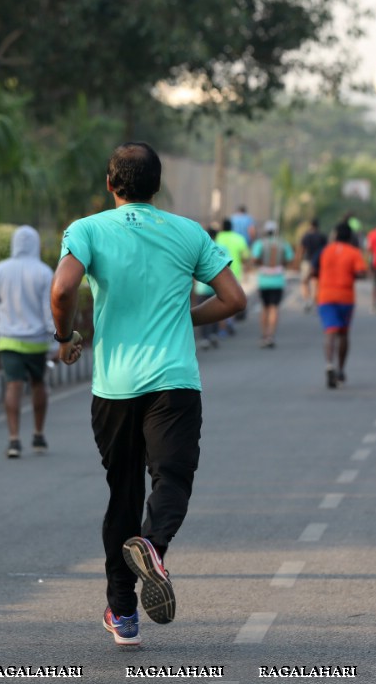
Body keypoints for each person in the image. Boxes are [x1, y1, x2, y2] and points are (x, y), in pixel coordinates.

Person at [51, 142, 245, 647]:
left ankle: (123, 613)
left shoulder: (88, 229)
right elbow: (233, 299)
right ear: (156, 186)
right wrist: (187, 316)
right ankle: (153, 547)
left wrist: (66, 335)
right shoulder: (188, 232)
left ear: (110, 184)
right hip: (175, 382)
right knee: (173, 478)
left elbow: (62, 290)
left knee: (123, 494)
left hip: (114, 386)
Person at [0, 225, 56, 458]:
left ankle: (14, 440)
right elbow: (50, 310)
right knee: (38, 384)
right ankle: (38, 435)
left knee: (13, 385)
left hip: (9, 340)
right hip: (37, 341)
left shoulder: (1, 270)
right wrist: (55, 341)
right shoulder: (44, 272)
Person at [316, 223, 368, 389]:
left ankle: (329, 364)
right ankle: (341, 369)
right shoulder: (354, 252)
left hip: (325, 296)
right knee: (344, 334)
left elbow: (313, 269)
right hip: (346, 298)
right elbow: (361, 272)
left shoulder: (325, 250)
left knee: (330, 331)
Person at [251, 220, 294, 347]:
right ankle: (271, 335)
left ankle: (264, 335)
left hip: (264, 279)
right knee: (274, 308)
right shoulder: (283, 243)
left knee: (264, 307)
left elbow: (254, 258)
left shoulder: (260, 243)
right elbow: (290, 258)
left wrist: (260, 264)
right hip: (278, 280)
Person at [298, 218, 328, 312]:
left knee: (304, 282)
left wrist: (297, 261)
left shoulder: (306, 236)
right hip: (319, 262)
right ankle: (315, 303)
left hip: (307, 261)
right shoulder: (322, 236)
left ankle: (307, 301)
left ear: (310, 225)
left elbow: (301, 249)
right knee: (315, 283)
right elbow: (326, 250)